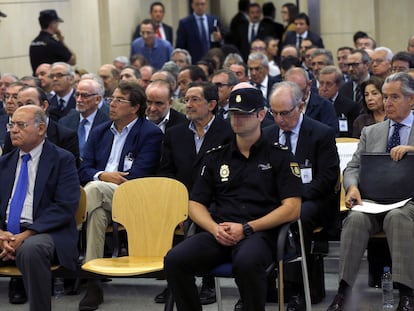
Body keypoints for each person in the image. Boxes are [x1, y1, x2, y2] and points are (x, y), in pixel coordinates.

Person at [164, 85, 303, 311]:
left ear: (260, 115)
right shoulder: (216, 156)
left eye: (244, 114)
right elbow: (195, 203)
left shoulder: (280, 156)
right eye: (233, 114)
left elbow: (292, 208)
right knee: (175, 260)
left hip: (259, 232)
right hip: (219, 231)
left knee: (247, 263)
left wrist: (247, 228)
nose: (237, 119)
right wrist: (212, 227)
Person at [326, 72, 414, 311]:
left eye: (394, 97)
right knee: (354, 219)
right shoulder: (371, 132)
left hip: (409, 203)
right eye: (385, 97)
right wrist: (352, 187)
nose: (387, 103)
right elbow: (353, 166)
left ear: (411, 100)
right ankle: (343, 291)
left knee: (398, 217)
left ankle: (407, 294)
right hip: (375, 200)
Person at [78, 81, 163, 311]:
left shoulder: (150, 134)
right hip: (102, 194)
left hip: (134, 196)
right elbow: (84, 169)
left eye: (118, 100)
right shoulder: (100, 131)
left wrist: (99, 180)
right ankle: (93, 281)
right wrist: (102, 174)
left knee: (92, 191)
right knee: (95, 213)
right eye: (111, 99)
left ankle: (71, 226)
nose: (111, 104)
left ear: (135, 107)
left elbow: (139, 175)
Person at [155, 81, 233, 305]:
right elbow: (167, 171)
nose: (188, 104)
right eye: (186, 99)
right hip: (182, 198)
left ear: (211, 104)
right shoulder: (175, 133)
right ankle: (176, 281)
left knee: (203, 219)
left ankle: (208, 283)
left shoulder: (227, 132)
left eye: (194, 100)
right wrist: (178, 203)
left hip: (217, 200)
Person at [264, 81, 339, 310]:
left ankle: (295, 289)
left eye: (284, 113)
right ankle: (255, 286)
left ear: (301, 105)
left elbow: (327, 177)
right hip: (276, 201)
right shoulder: (266, 135)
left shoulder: (320, 133)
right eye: (273, 112)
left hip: (312, 201)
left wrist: (294, 198)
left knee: (298, 217)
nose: (279, 119)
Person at [0, 105, 80, 311]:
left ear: (41, 128)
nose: (13, 130)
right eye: (11, 124)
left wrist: (25, 235)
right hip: (6, 233)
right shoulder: (4, 163)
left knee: (31, 250)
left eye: (20, 125)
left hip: (46, 232)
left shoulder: (62, 160)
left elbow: (65, 206)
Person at [3, 86, 80, 166]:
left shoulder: (66, 136)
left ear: (44, 106)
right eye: (20, 105)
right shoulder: (12, 136)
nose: (24, 109)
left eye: (29, 103)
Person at [59, 78, 109, 157]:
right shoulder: (65, 122)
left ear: (98, 99)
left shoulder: (108, 123)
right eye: (77, 95)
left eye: (84, 96)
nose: (79, 100)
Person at [285, 67, 339, 133]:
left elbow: (331, 133)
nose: (296, 95)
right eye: (291, 91)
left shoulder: (324, 106)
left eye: (300, 91)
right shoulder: (280, 105)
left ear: (309, 85)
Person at [29, 9, 76, 74]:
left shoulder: (33, 43)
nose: (57, 25)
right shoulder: (53, 43)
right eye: (57, 22)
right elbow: (72, 60)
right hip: (50, 81)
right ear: (52, 24)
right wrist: (61, 41)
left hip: (37, 81)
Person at [175, 0, 222, 64]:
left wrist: (219, 39)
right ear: (192, 5)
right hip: (194, 61)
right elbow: (180, 46)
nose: (200, 7)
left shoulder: (214, 20)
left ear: (206, 5)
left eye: (202, 4)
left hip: (212, 60)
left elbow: (220, 42)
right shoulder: (185, 23)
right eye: (197, 4)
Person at [318, 66, 360, 137]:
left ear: (338, 85)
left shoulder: (350, 107)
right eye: (321, 83)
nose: (324, 88)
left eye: (328, 84)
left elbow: (349, 134)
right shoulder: (313, 104)